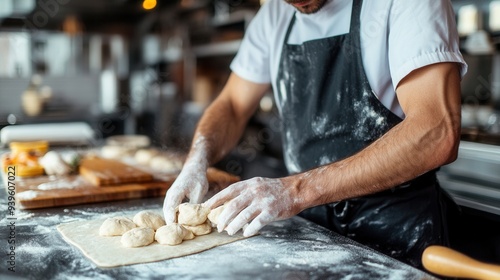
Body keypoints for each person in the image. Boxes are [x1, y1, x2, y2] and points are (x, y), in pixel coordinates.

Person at [163, 0, 467, 268]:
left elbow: (436, 131)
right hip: (311, 236)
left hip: (398, 234)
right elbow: (231, 104)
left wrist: (294, 191)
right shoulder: (274, 18)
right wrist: (197, 159)